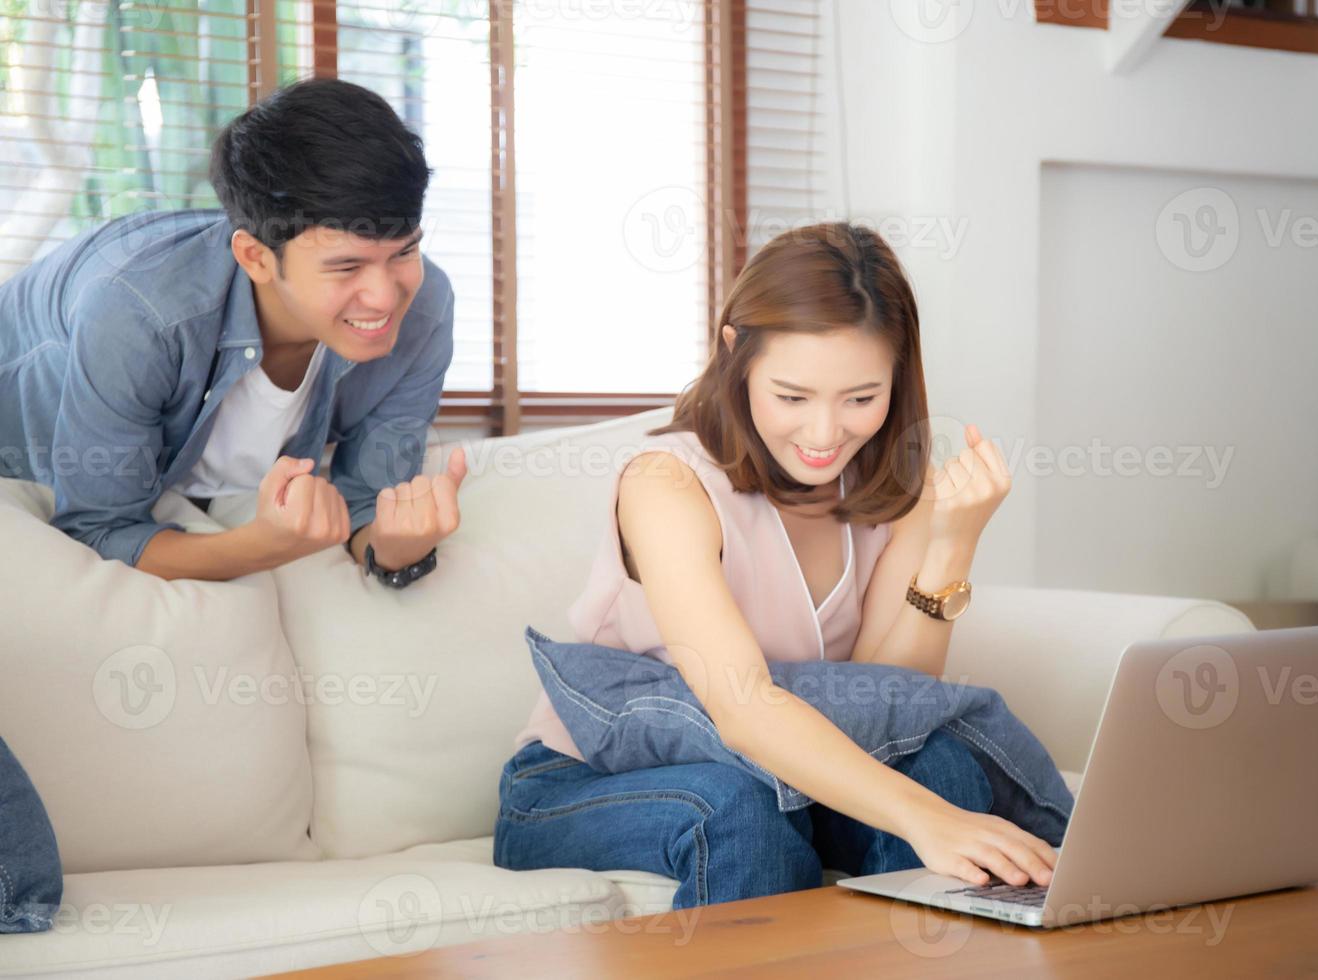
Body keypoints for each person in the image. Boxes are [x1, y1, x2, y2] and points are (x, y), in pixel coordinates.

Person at [495, 222, 1057, 909]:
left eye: (860, 398)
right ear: (736, 353)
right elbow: (742, 707)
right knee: (735, 810)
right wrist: (922, 819)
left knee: (941, 767)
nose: (826, 435)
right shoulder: (667, 486)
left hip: (779, 775)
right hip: (583, 782)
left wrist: (951, 543)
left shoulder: (892, 489)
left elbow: (891, 698)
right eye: (793, 396)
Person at [0, 77, 466, 586]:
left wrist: (397, 552)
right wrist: (264, 545)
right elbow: (100, 531)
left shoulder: (425, 308)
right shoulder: (139, 315)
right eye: (347, 267)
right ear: (255, 257)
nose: (385, 295)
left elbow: (369, 504)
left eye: (404, 250)